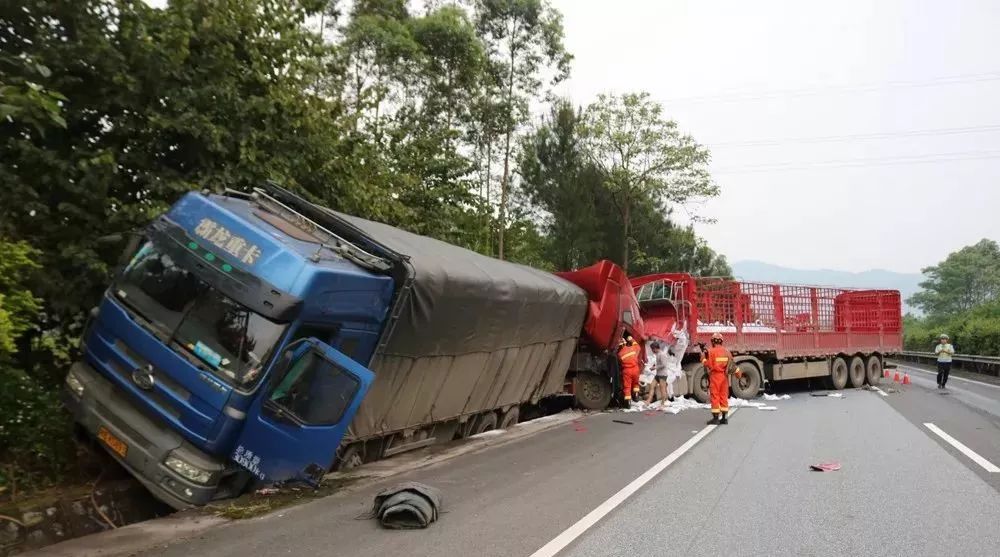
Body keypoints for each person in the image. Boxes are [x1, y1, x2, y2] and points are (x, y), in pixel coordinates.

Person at [701, 333, 740, 425]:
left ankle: (715, 418)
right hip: (724, 377)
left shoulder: (711, 352)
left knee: (715, 396)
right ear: (721, 341)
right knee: (723, 396)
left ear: (713, 341)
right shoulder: (727, 352)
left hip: (715, 376)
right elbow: (732, 365)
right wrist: (738, 375)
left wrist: (703, 358)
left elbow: (708, 364)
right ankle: (724, 418)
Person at [617, 334, 642, 404]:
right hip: (635, 369)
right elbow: (638, 347)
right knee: (636, 383)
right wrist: (631, 339)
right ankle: (636, 394)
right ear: (625, 343)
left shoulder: (619, 354)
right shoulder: (632, 349)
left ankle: (628, 402)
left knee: (627, 386)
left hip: (626, 371)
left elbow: (619, 364)